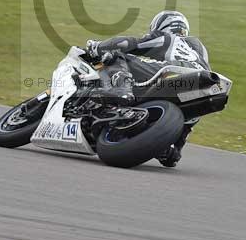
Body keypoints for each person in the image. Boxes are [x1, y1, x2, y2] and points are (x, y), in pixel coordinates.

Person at [84, 10, 211, 167]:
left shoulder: (166, 37)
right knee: (189, 117)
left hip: (177, 71)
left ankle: (121, 90)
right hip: (199, 83)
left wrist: (97, 47)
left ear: (162, 25)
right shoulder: (199, 48)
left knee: (116, 55)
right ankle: (172, 150)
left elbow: (128, 44)